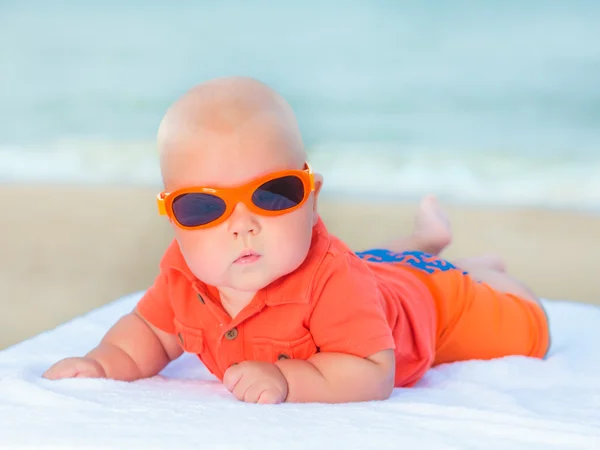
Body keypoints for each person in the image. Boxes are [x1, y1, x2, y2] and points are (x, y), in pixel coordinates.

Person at [43, 77, 550, 404]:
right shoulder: (183, 274)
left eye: (273, 194)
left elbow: (372, 370)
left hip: (434, 309)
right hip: (374, 273)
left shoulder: (333, 279)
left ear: (311, 202)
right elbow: (150, 335)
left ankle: (478, 270)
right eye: (204, 206)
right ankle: (423, 242)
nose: (241, 225)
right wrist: (102, 363)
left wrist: (289, 381)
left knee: (530, 328)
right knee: (382, 265)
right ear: (175, 219)